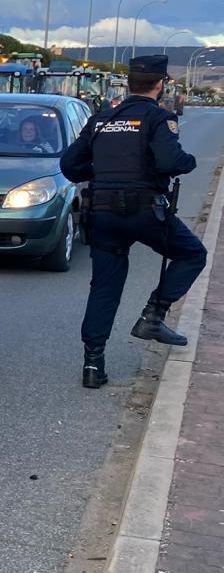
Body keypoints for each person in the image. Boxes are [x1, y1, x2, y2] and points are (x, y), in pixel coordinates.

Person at [62, 55, 207, 388]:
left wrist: (100, 172)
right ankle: (153, 316)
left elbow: (70, 165)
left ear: (129, 84)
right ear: (160, 84)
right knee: (192, 254)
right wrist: (189, 161)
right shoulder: (158, 118)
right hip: (145, 211)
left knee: (105, 287)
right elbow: (171, 161)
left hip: (103, 213)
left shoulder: (102, 119)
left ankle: (93, 365)